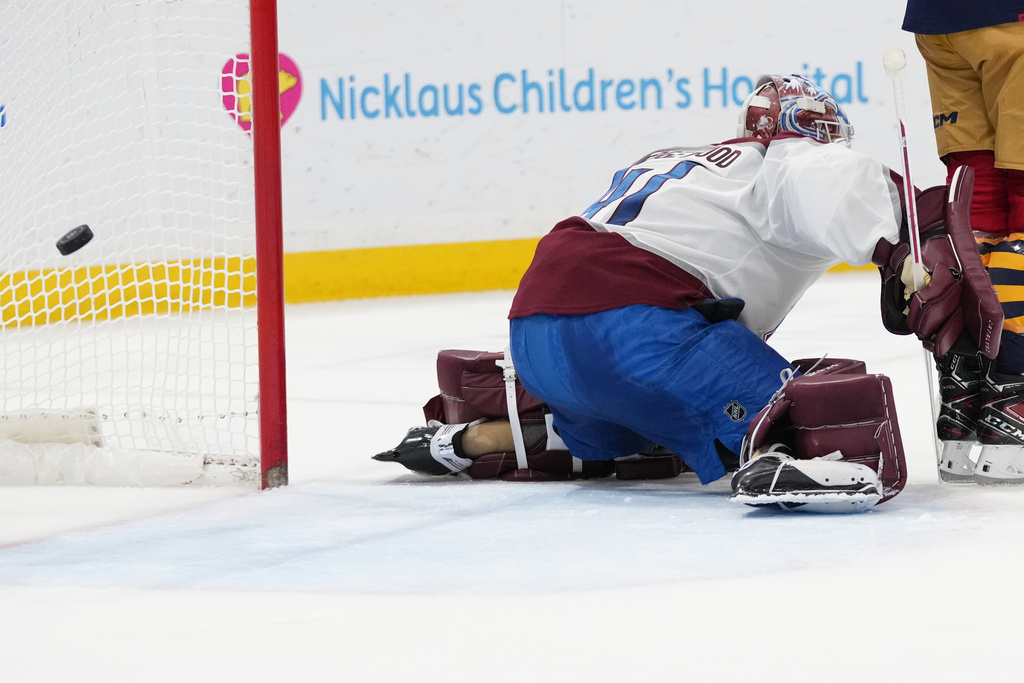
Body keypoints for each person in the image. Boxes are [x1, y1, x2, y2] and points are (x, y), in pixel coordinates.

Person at [373, 74, 998, 510]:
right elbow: (836, 186)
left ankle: (480, 436)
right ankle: (771, 449)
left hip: (537, 329)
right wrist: (909, 254)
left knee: (637, 434)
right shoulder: (795, 159)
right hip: (636, 329)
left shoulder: (680, 158)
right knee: (820, 421)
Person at [902, 3, 1024, 483]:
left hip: (939, 21)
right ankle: (1013, 396)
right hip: (1009, 20)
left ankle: (966, 399)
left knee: (979, 201)